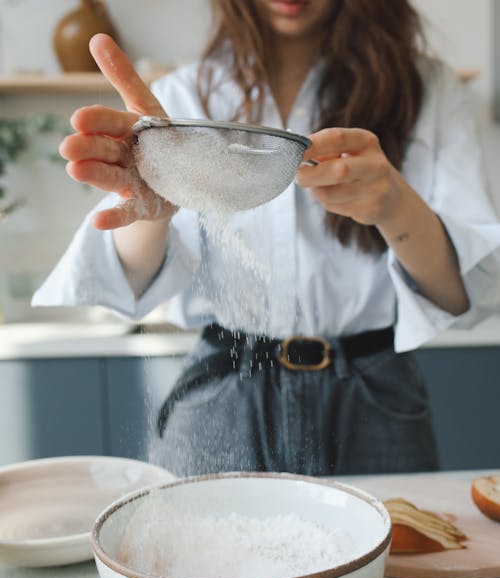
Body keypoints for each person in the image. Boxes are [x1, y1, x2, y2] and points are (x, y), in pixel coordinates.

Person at [33, 0, 500, 477]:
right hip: (225, 391)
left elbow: (463, 292)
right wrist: (152, 201)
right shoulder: (182, 97)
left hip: (374, 398)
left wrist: (395, 205)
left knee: (396, 553)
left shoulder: (429, 91)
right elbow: (125, 279)